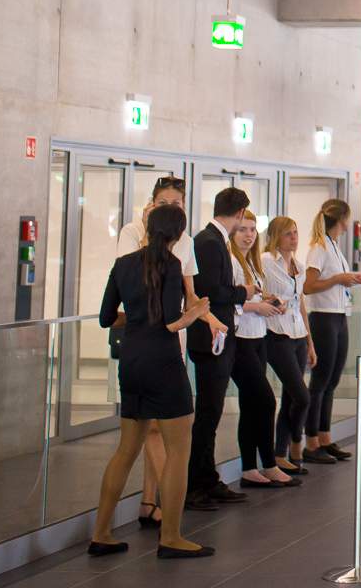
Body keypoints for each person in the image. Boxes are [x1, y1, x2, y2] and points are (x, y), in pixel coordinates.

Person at [90, 203, 217, 560]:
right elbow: (169, 322)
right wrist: (195, 313)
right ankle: (171, 537)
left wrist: (137, 319)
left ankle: (101, 534)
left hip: (131, 361)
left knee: (126, 449)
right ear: (178, 235)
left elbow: (106, 317)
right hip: (163, 363)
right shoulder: (172, 265)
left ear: (148, 229)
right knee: (178, 451)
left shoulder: (123, 264)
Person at [113, 176, 215, 531]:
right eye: (163, 204)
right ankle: (170, 510)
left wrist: (208, 318)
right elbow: (133, 278)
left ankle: (149, 501)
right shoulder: (132, 233)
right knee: (151, 430)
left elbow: (189, 293)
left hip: (170, 342)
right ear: (150, 205)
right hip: (150, 341)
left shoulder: (185, 241)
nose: (171, 210)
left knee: (153, 431)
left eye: (177, 204)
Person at [186, 186, 251, 513]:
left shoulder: (212, 240)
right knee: (208, 414)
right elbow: (211, 292)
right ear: (239, 213)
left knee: (211, 413)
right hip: (211, 337)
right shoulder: (209, 242)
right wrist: (243, 292)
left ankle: (207, 478)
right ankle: (196, 485)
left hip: (218, 336)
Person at [227, 209, 293, 489]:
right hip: (240, 339)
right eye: (243, 229)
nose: (249, 235)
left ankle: (250, 468)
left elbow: (252, 295)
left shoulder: (252, 263)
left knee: (251, 404)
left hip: (258, 336)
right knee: (266, 401)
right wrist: (257, 307)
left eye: (253, 230)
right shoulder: (231, 261)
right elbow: (229, 300)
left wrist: (271, 301)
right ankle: (268, 463)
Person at [303, 199, 361, 464]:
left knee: (332, 381)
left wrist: (348, 279)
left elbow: (332, 281)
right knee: (320, 382)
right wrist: (339, 279)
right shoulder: (319, 248)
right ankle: (311, 441)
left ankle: (325, 436)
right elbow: (308, 286)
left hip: (338, 316)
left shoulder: (334, 246)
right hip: (323, 318)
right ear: (341, 219)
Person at [260, 215, 314, 478]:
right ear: (275, 237)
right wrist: (269, 300)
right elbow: (256, 290)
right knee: (302, 396)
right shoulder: (265, 261)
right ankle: (295, 443)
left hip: (297, 333)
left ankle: (280, 453)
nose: (294, 238)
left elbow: (300, 303)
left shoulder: (299, 266)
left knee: (291, 397)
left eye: (295, 232)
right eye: (288, 234)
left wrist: (310, 342)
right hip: (276, 334)